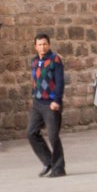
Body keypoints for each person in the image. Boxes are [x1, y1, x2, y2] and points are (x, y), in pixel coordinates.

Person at [27, 32, 66, 178]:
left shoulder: (55, 59)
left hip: (51, 103)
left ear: (49, 45)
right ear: (35, 47)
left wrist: (57, 100)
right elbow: (35, 80)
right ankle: (48, 161)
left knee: (53, 136)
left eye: (44, 44)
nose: (42, 47)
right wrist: (34, 94)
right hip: (37, 103)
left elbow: (60, 82)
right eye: (39, 45)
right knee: (31, 133)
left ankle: (59, 168)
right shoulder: (34, 61)